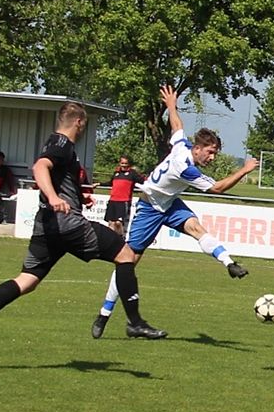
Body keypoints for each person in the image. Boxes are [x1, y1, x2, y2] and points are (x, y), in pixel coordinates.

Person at [0, 100, 164, 355]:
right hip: (68, 225)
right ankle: (135, 322)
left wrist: (78, 197)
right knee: (126, 255)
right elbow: (40, 167)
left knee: (27, 280)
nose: (83, 130)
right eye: (84, 125)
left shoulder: (53, 142)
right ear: (79, 122)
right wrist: (55, 197)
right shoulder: (62, 144)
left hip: (46, 226)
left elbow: (55, 173)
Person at [90, 85, 259, 340]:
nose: (212, 158)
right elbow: (217, 188)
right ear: (200, 148)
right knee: (128, 261)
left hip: (169, 204)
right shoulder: (186, 168)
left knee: (196, 228)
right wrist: (244, 170)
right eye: (211, 152)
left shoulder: (182, 145)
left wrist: (171, 104)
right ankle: (104, 313)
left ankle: (230, 263)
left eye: (215, 153)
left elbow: (177, 125)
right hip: (150, 208)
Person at [100, 156, 144, 235]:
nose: (123, 165)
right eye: (122, 163)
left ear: (129, 164)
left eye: (125, 163)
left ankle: (120, 240)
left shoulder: (132, 173)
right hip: (112, 200)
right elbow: (110, 183)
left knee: (118, 223)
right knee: (111, 223)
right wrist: (99, 184)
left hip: (123, 201)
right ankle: (110, 240)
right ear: (119, 163)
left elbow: (142, 181)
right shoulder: (116, 173)